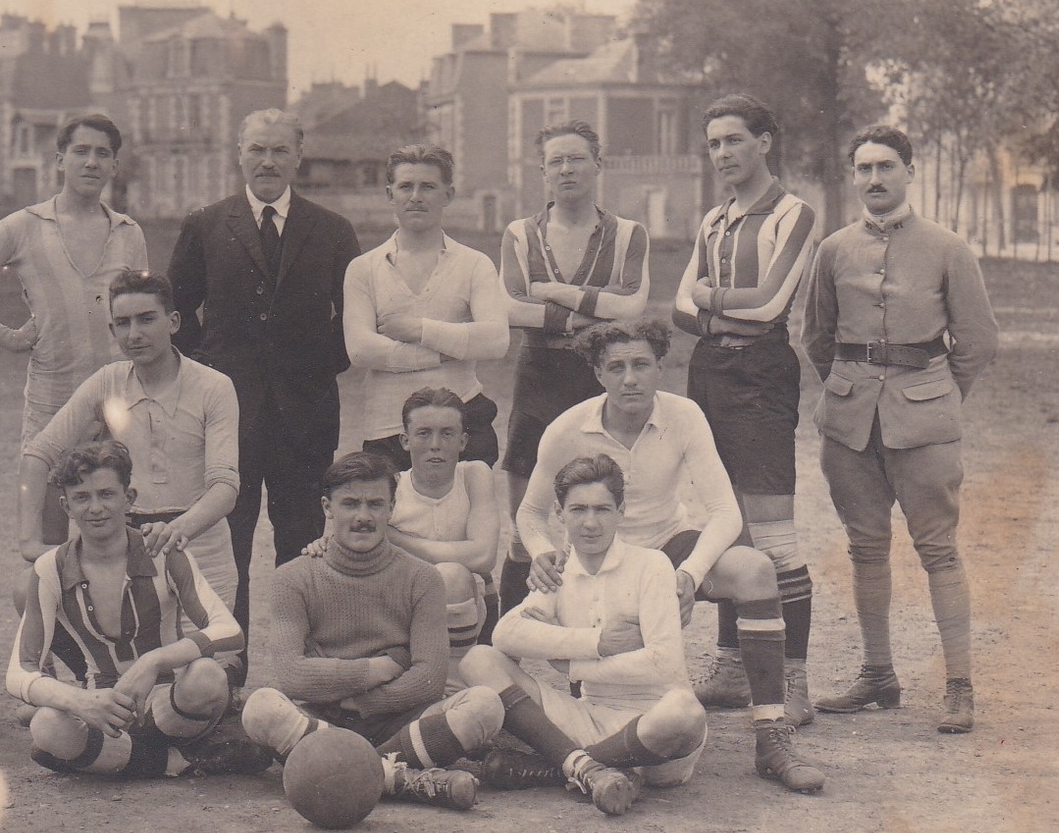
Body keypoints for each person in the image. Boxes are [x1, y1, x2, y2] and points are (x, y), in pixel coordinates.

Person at [519, 320, 823, 792]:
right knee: (609, 682)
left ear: (661, 367)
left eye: (641, 364)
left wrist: (688, 572)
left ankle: (771, 735)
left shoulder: (684, 415)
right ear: (598, 373)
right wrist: (540, 551)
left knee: (756, 570)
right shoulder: (567, 429)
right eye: (616, 367)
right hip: (603, 558)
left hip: (668, 543)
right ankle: (593, 743)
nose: (630, 379)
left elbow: (725, 512)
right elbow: (530, 513)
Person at [804, 125, 999, 734]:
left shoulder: (947, 248)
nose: (874, 179)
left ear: (909, 172)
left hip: (925, 420)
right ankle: (878, 673)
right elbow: (817, 335)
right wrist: (851, 387)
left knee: (938, 549)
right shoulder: (833, 249)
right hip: (849, 422)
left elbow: (978, 340)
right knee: (865, 548)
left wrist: (936, 395)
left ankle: (959, 684)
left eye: (886, 166)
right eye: (862, 168)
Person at [167, 108, 361, 681]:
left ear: (299, 156)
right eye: (257, 149)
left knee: (302, 540)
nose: (268, 161)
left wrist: (308, 370)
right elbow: (178, 313)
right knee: (228, 538)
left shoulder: (331, 230)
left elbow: (353, 325)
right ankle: (228, 663)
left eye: (279, 150)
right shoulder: (205, 224)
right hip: (229, 415)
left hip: (306, 416)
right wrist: (213, 373)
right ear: (239, 153)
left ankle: (292, 666)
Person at [240, 451, 506, 811]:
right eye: (350, 503)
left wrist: (358, 698)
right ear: (327, 507)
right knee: (260, 708)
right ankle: (398, 777)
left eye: (375, 504)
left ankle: (354, 771)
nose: (363, 516)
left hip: (401, 720)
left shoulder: (423, 578)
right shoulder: (293, 578)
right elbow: (291, 675)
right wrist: (375, 668)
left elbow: (429, 676)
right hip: (325, 719)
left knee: (486, 705)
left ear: (392, 508)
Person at [671, 94, 819, 724]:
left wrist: (709, 300)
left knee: (774, 535)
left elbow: (768, 306)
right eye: (713, 143)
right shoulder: (712, 220)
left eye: (735, 140)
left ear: (765, 142)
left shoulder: (795, 214)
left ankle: (793, 680)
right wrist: (711, 306)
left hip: (761, 376)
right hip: (708, 372)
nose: (723, 154)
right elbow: (677, 308)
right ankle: (732, 666)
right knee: (722, 524)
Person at [17, 270, 241, 680]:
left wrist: (177, 530)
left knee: (201, 684)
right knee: (27, 590)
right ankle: (85, 679)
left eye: (146, 319)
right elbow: (39, 452)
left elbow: (225, 487)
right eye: (123, 323)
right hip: (119, 542)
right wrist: (29, 536)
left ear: (173, 322)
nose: (134, 333)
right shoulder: (107, 382)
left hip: (197, 541)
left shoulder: (214, 387)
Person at [459, 454, 708, 816]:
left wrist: (573, 667)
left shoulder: (651, 565)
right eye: (577, 510)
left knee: (685, 710)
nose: (590, 523)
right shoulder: (559, 573)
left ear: (620, 511)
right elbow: (505, 634)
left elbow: (664, 665)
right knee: (478, 660)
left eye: (602, 510)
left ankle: (555, 767)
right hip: (588, 718)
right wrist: (596, 643)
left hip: (656, 732)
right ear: (559, 514)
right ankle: (591, 767)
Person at [0, 113, 147, 548]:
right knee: (48, 546)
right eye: (81, 152)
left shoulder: (130, 234)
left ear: (114, 165)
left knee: (126, 540)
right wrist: (4, 335)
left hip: (119, 402)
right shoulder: (23, 226)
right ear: (59, 160)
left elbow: (143, 316)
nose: (91, 163)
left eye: (102, 154)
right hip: (53, 398)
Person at [5, 441, 269, 777]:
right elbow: (19, 671)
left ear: (129, 498)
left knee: (207, 676)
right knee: (46, 725)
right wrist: (81, 702)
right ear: (65, 505)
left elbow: (230, 633)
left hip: (170, 699)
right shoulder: (50, 568)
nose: (96, 508)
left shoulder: (162, 551)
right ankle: (174, 761)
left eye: (106, 494)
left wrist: (153, 660)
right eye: (82, 498)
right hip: (105, 705)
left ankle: (124, 760)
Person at [496, 121, 649, 617]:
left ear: (597, 165)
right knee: (525, 520)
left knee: (598, 515)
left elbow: (632, 307)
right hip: (537, 375)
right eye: (556, 161)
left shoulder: (627, 234)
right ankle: (508, 645)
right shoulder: (520, 234)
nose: (567, 169)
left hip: (597, 379)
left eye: (577, 158)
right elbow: (510, 307)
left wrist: (554, 294)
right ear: (542, 171)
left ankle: (597, 641)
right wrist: (593, 312)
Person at [308, 387, 502, 683]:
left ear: (463, 441)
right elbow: (346, 542)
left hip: (464, 604)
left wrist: (395, 539)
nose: (435, 444)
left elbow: (483, 556)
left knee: (450, 576)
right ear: (405, 441)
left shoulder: (474, 475)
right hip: (399, 604)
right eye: (423, 433)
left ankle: (452, 684)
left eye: (447, 434)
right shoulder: (390, 486)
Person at [344, 144, 508, 469]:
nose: (416, 196)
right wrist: (451, 348)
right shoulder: (363, 268)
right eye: (406, 186)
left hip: (462, 422)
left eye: (428, 187)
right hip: (388, 427)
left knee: (467, 515)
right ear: (390, 194)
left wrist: (418, 329)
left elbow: (495, 341)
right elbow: (361, 350)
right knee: (393, 519)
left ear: (448, 195)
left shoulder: (475, 264)